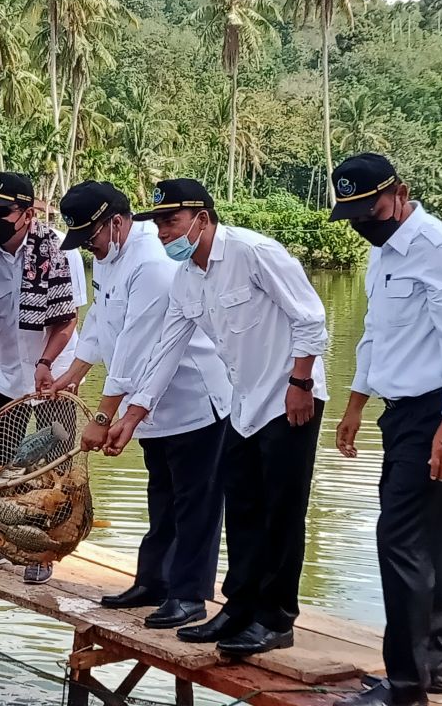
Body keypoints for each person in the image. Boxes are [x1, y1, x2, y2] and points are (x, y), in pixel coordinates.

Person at [109, 179, 328, 655]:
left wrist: (301, 384)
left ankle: (275, 620)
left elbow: (310, 318)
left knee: (281, 512)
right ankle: (237, 608)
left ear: (202, 218)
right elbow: (167, 349)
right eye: (159, 224)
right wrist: (132, 414)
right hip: (242, 404)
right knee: (244, 509)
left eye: (171, 221)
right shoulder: (187, 277)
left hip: (289, 397)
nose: (164, 233)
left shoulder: (254, 252)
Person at [328, 154, 442, 706]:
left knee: (399, 539)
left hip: (441, 412)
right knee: (425, 537)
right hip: (403, 413)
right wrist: (354, 405)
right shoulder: (383, 254)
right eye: (350, 214)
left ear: (399, 192)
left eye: (367, 209)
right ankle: (436, 673)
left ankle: (405, 685)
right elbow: (375, 336)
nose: (360, 222)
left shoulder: (439, 250)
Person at [50, 181, 231, 630]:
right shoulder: (110, 258)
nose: (89, 248)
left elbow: (136, 345)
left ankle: (189, 595)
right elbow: (100, 323)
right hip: (146, 401)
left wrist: (103, 416)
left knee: (196, 501)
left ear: (116, 222)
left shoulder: (151, 263)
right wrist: (69, 375)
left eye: (91, 236)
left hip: (193, 399)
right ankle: (153, 581)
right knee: (162, 495)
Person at [0, 172, 86, 585]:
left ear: (27, 213)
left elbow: (67, 322)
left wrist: (46, 364)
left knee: (53, 466)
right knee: (2, 466)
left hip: (56, 374)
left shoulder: (61, 251)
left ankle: (45, 549)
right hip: (4, 373)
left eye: (2, 211)